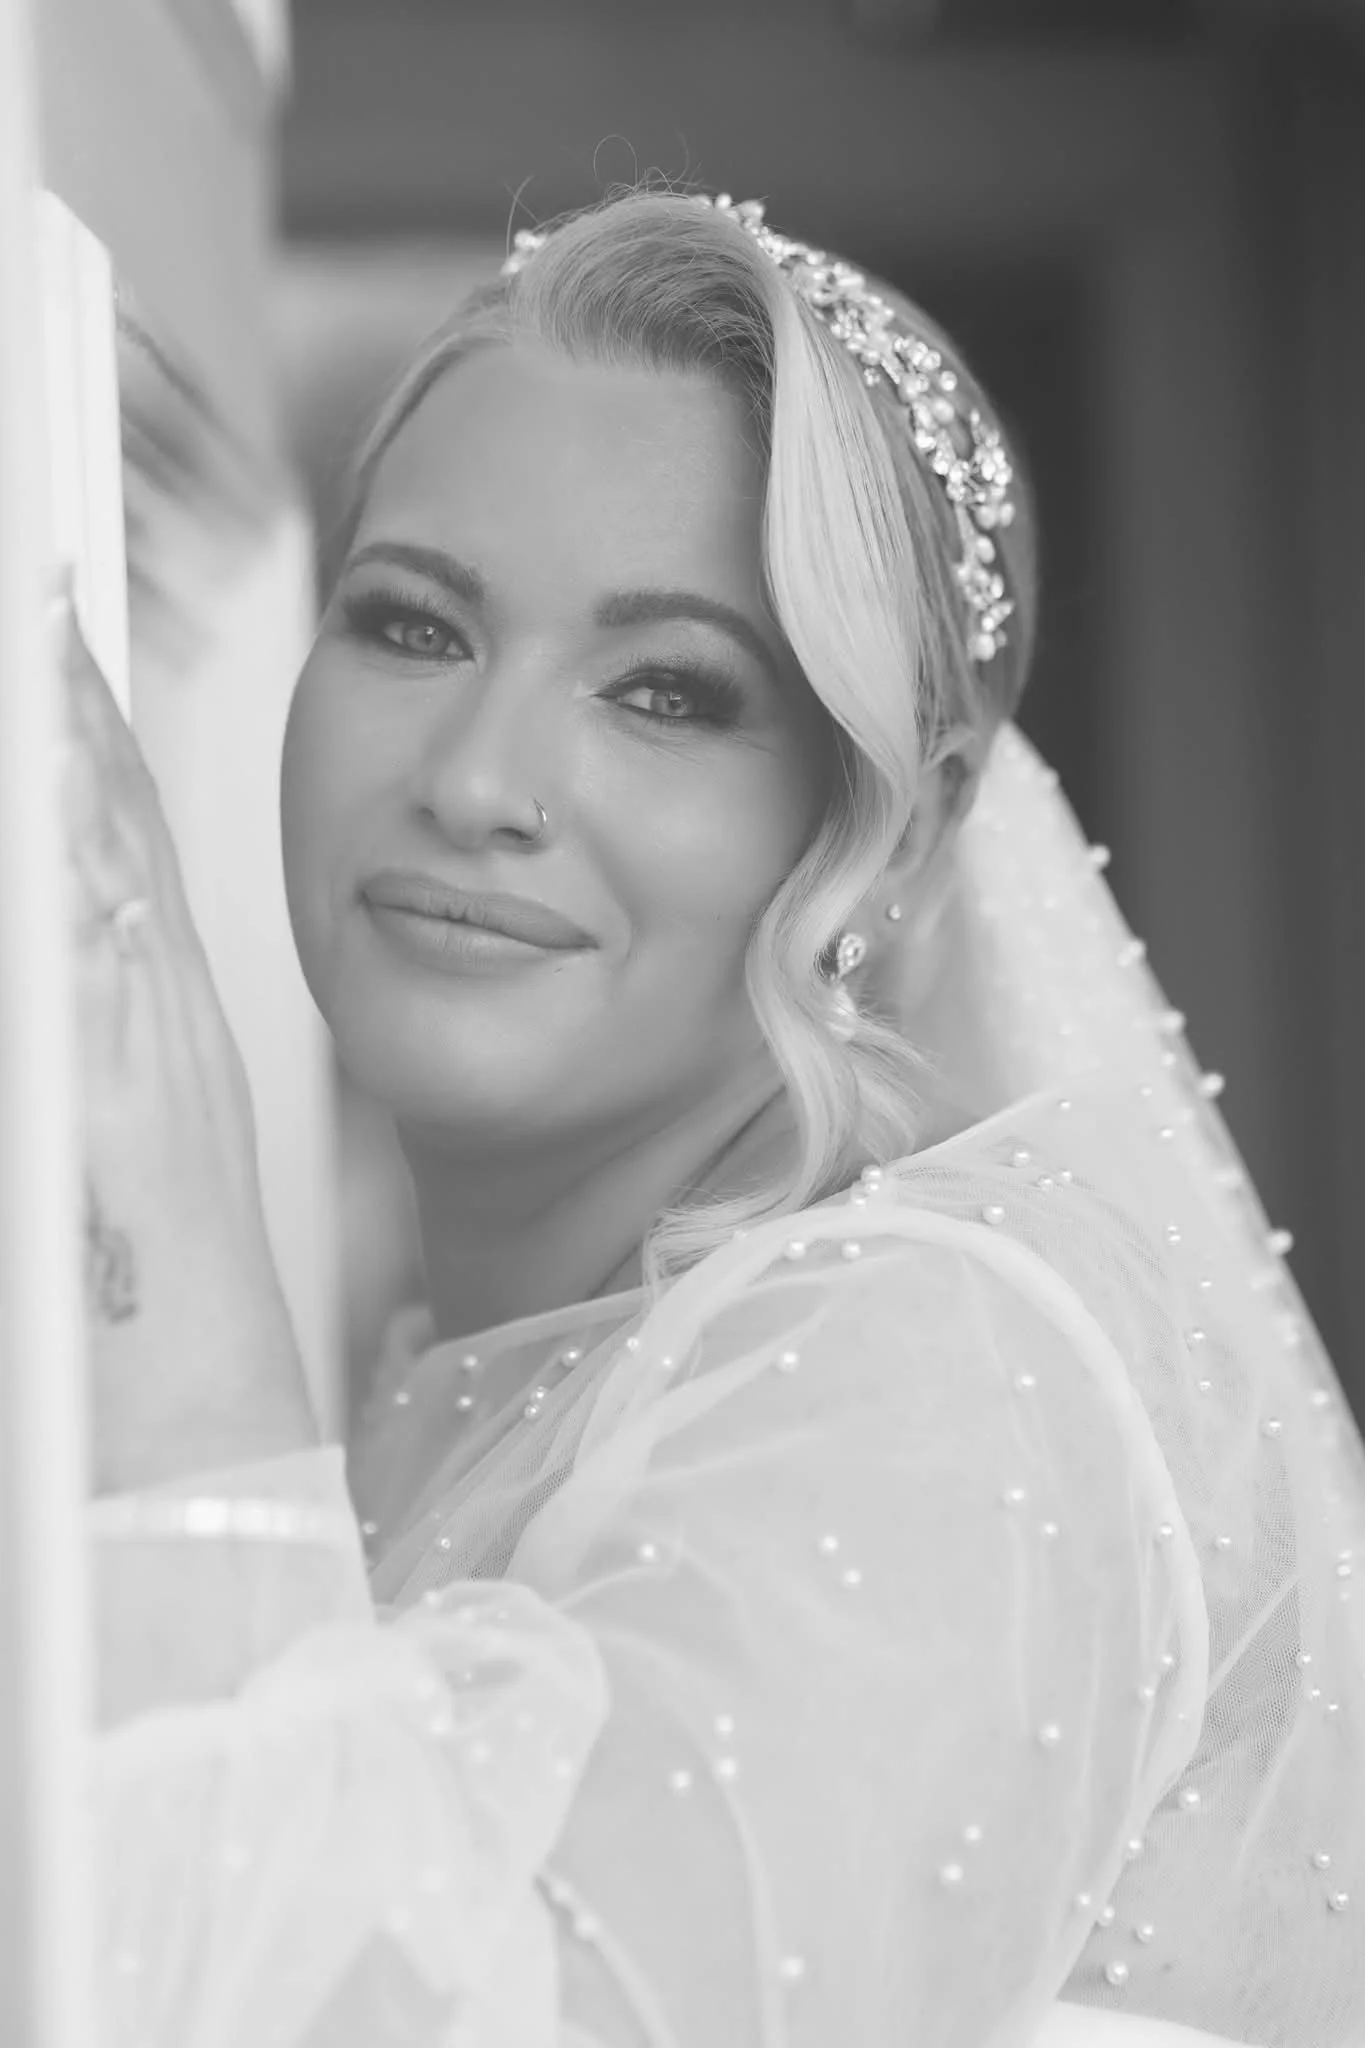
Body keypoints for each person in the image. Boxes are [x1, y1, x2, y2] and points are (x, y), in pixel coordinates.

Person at [65, 188, 1365, 2047]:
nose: (483, 779)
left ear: (882, 844)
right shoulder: (491, 1391)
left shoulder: (934, 1363)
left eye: (667, 690)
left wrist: (180, 1331)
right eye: (413, 624)